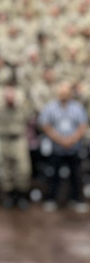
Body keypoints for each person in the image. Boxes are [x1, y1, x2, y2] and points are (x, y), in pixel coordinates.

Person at [38, 82, 88, 213]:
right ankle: (52, 199)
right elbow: (45, 125)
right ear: (58, 93)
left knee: (76, 175)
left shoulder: (77, 107)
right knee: (53, 175)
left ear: (70, 94)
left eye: (66, 93)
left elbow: (83, 125)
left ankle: (76, 199)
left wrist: (72, 139)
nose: (64, 95)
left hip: (74, 148)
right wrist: (60, 139)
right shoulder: (50, 107)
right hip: (57, 148)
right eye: (62, 92)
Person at [0, 86, 32, 208]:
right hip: (2, 138)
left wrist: (17, 104)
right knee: (5, 169)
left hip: (18, 138)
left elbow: (30, 117)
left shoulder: (22, 104)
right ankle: (8, 196)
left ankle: (21, 195)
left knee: (23, 169)